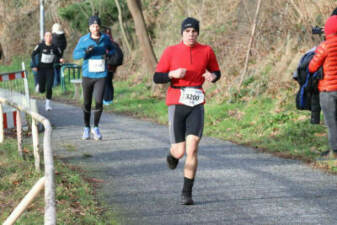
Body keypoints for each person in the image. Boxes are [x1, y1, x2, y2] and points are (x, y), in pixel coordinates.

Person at [153, 17, 221, 205]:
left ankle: (186, 192)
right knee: (180, 151)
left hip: (196, 102)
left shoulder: (206, 51)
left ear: (198, 33)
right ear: (182, 33)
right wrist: (171, 74)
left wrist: (212, 76)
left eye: (194, 31)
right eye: (187, 31)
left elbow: (216, 71)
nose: (191, 34)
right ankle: (172, 155)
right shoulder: (171, 51)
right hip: (177, 102)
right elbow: (157, 77)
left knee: (193, 148)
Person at [73, 15, 115, 140]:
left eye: (97, 26)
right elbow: (75, 55)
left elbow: (112, 50)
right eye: (92, 26)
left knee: (98, 102)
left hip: (101, 75)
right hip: (87, 76)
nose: (95, 28)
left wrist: (109, 54)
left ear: (99, 27)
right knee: (86, 103)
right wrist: (86, 52)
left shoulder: (105, 38)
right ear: (89, 27)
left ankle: (95, 127)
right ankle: (86, 127)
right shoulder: (84, 40)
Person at [309, 15, 337, 158]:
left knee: (332, 122)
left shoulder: (325, 46)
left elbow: (312, 67)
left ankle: (334, 152)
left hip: (328, 90)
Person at [32, 32, 63, 111]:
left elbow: (60, 54)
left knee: (49, 87)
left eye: (50, 36)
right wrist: (34, 65)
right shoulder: (40, 46)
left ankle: (48, 104)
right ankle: (39, 86)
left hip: (50, 69)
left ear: (51, 38)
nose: (48, 37)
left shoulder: (54, 47)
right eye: (47, 36)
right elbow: (33, 54)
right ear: (44, 37)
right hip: (41, 69)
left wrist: (60, 59)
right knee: (42, 90)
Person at [103, 27, 116, 105]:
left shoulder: (106, 42)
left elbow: (107, 53)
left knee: (106, 83)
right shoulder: (113, 42)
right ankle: (110, 99)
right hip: (113, 65)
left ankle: (106, 100)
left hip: (107, 65)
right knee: (109, 82)